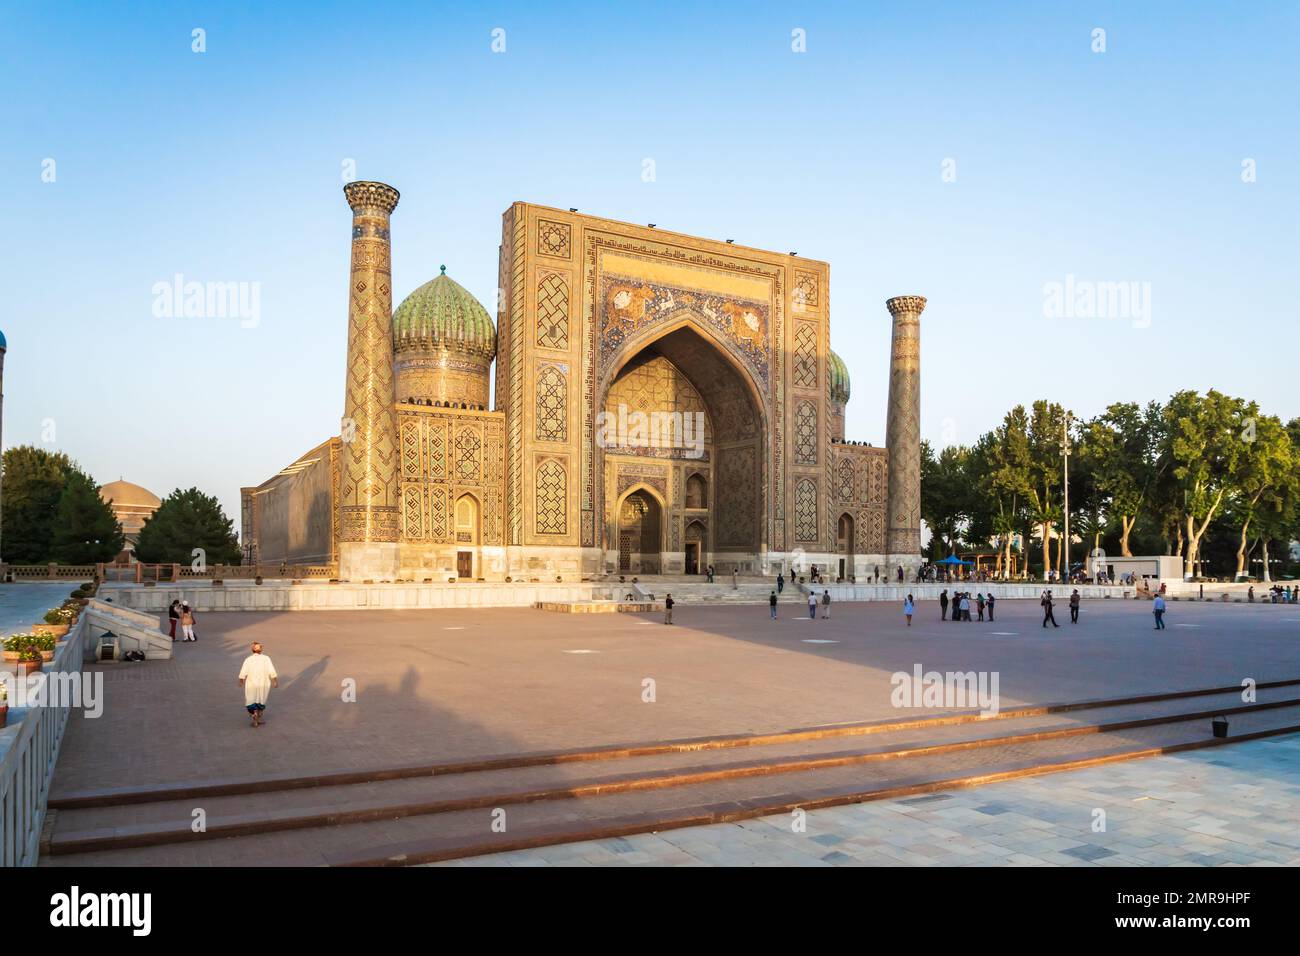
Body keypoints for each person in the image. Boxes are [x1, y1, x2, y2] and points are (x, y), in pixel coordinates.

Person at [238, 642, 279, 728]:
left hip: (251, 684)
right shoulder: (266, 658)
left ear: (252, 650)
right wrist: (275, 681)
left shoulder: (248, 659)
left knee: (251, 700)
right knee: (261, 700)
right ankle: (258, 715)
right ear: (261, 649)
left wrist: (241, 680)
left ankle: (254, 716)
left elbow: (243, 671)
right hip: (263, 684)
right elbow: (271, 670)